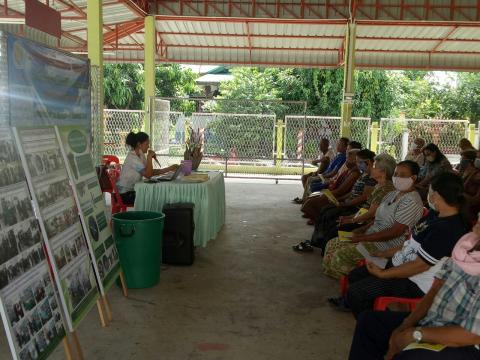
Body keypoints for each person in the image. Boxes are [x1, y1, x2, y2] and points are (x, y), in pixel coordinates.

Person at [330, 173, 469, 317]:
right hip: (401, 265)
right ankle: (366, 307)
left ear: (437, 195)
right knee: (355, 275)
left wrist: (383, 274)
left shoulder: (448, 229)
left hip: (414, 281)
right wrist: (383, 254)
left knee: (357, 292)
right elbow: (411, 244)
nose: (428, 195)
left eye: (430, 191)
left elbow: (419, 266)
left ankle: (373, 320)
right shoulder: (435, 214)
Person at [348, 218, 480, 360]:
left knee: (410, 355)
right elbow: (434, 290)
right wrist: (406, 325)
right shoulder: (465, 247)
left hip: (466, 344)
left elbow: (472, 335)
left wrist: (415, 334)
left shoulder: (449, 230)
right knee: (369, 322)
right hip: (434, 321)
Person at [322, 161, 424, 279]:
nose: (397, 177)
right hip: (371, 236)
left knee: (341, 255)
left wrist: (362, 238)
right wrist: (361, 229)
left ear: (413, 178)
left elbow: (395, 232)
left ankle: (348, 285)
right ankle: (338, 279)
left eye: (402, 175)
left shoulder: (411, 201)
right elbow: (378, 218)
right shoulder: (393, 194)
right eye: (395, 174)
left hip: (385, 246)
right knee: (331, 244)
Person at [116, 132, 179, 204]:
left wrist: (170, 168)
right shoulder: (133, 158)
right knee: (154, 198)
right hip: (125, 194)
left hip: (132, 190)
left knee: (156, 196)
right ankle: (155, 214)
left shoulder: (140, 154)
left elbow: (150, 172)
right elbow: (148, 175)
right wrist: (149, 158)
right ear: (139, 144)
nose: (148, 146)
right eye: (146, 144)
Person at [300, 149, 361, 223]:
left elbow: (340, 191)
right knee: (308, 201)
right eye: (347, 158)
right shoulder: (349, 170)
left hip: (338, 197)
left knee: (307, 205)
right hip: (334, 192)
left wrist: (326, 195)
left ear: (356, 161)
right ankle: (318, 219)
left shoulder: (354, 173)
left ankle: (320, 222)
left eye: (349, 158)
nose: (346, 161)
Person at [293, 138, 335, 204]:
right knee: (304, 177)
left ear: (327, 145)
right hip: (321, 172)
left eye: (322, 145)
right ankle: (307, 197)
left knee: (309, 179)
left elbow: (325, 160)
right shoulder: (323, 153)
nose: (320, 146)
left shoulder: (330, 152)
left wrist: (316, 161)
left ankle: (306, 199)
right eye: (320, 144)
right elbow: (322, 165)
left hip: (326, 175)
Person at [459, 150, 480, 219]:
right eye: (477, 157)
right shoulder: (473, 171)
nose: (477, 160)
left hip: (471, 210)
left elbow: (476, 200)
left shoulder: (476, 173)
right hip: (463, 203)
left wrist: (460, 193)